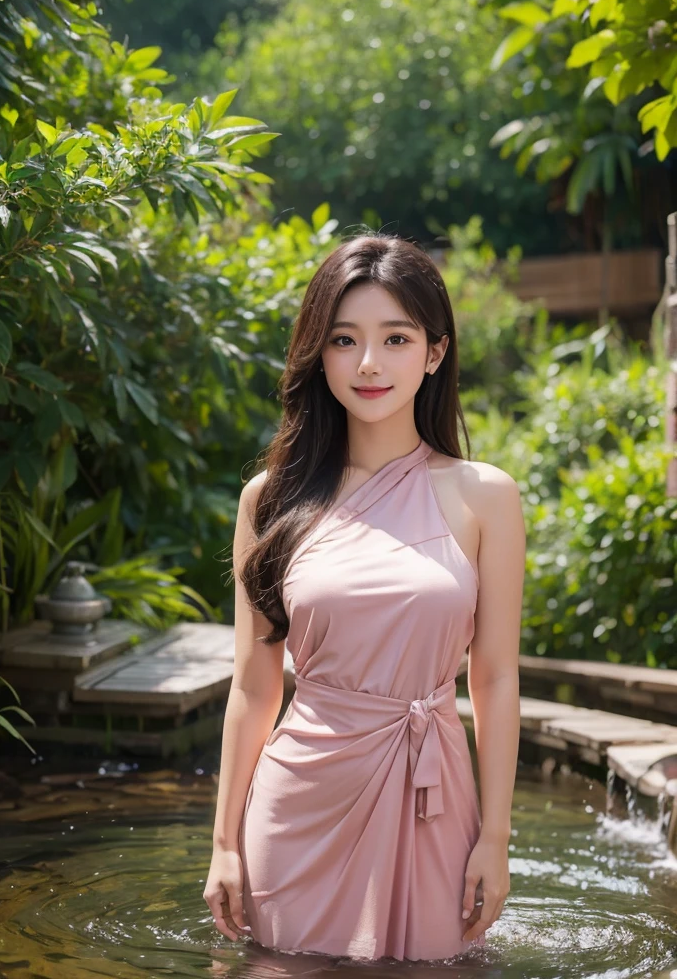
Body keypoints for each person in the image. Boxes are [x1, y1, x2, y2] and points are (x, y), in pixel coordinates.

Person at [203, 233, 524, 962]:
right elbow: (254, 690)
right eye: (345, 340)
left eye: (396, 338)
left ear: (434, 352)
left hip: (430, 794)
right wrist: (224, 845)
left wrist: (497, 839)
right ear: (319, 352)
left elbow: (496, 676)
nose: (369, 364)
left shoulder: (485, 497)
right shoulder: (270, 501)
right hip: (299, 804)